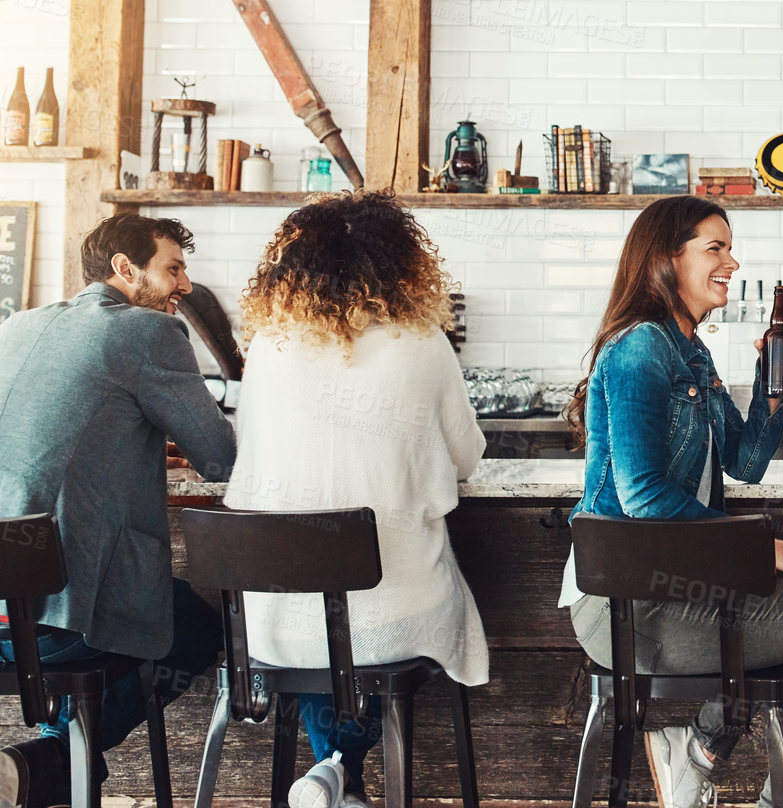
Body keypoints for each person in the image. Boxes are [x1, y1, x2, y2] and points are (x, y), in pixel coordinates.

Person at [559, 196, 783, 808]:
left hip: (675, 588)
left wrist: (772, 383)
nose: (732, 261)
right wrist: (763, 549)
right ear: (664, 259)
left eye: (729, 248)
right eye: (716, 247)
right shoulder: (639, 349)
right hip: (625, 606)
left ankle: (702, 746)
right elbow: (644, 498)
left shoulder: (691, 351)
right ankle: (751, 778)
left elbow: (746, 462)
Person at [223, 191, 488, 808]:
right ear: (400, 264)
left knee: (323, 620)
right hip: (393, 620)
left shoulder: (268, 347)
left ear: (290, 269)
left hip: (272, 625)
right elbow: (468, 455)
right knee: (364, 624)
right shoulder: (424, 341)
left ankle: (336, 776)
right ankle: (340, 765)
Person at [0, 216, 234, 808]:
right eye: (173, 268)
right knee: (200, 629)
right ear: (126, 270)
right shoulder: (147, 334)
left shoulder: (17, 325)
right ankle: (59, 756)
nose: (185, 284)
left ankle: (50, 759)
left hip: (6, 615)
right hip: (62, 624)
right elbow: (221, 457)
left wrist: (140, 441)